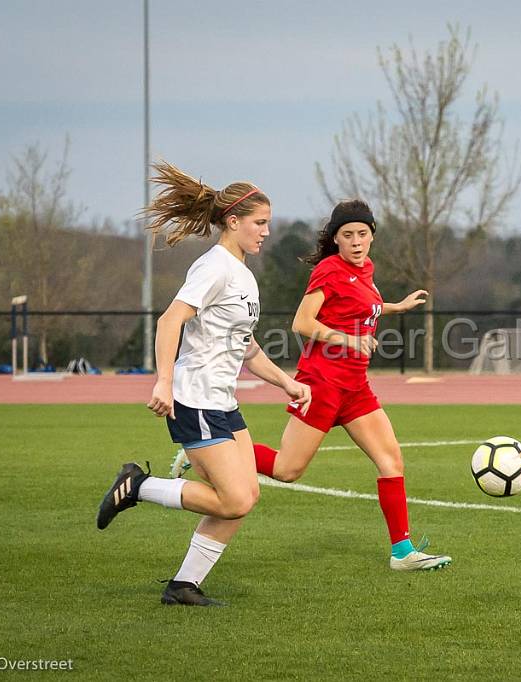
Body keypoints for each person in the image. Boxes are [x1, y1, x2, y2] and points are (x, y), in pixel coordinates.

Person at [95, 161, 311, 606]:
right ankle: (137, 486)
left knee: (246, 496)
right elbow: (170, 320)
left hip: (222, 401)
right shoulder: (214, 267)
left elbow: (245, 347)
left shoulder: (244, 276)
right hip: (194, 399)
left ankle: (183, 586)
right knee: (233, 500)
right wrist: (163, 381)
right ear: (233, 222)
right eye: (260, 223)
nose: (266, 231)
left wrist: (285, 383)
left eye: (268, 223)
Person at [251, 199, 450, 571]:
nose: (357, 241)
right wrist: (348, 340)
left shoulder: (365, 270)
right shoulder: (329, 270)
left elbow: (360, 305)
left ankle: (402, 553)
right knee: (286, 470)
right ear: (336, 240)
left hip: (355, 388)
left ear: (372, 235)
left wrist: (396, 307)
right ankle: (220, 450)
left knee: (391, 460)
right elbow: (302, 323)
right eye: (348, 235)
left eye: (363, 233)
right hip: (322, 384)